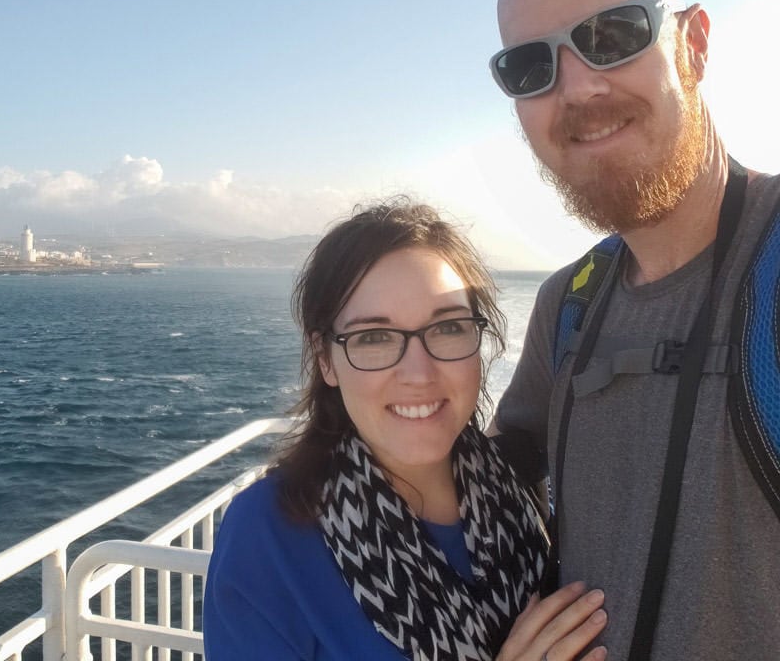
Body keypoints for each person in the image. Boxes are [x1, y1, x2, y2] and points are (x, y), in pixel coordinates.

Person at [489, 0, 780, 659]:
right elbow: (485, 482)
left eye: (614, 34)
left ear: (695, 43)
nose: (579, 87)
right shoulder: (570, 305)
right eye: (531, 67)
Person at [203, 199, 608, 661]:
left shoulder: (517, 483)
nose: (419, 373)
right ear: (325, 359)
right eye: (373, 337)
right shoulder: (269, 534)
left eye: (448, 328)